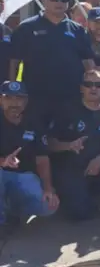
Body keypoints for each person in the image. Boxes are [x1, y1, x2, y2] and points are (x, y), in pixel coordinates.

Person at [10, 0, 95, 127]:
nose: (59, 3)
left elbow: (88, 64)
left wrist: (91, 87)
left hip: (70, 97)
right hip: (36, 97)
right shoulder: (26, 28)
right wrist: (14, 89)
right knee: (36, 136)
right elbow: (14, 62)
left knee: (68, 137)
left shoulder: (78, 30)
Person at [48, 70, 100, 220]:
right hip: (72, 167)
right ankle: (75, 196)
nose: (93, 88)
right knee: (78, 215)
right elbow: (49, 143)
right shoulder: (67, 110)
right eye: (88, 84)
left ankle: (98, 196)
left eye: (98, 85)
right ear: (81, 88)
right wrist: (68, 146)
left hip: (99, 164)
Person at [0, 81, 58, 236]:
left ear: (26, 101)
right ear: (1, 100)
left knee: (49, 207)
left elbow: (42, 158)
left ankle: (13, 212)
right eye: (8, 98)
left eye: (19, 98)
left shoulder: (34, 123)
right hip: (1, 174)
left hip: (24, 176)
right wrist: (3, 161)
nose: (14, 103)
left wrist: (48, 188)